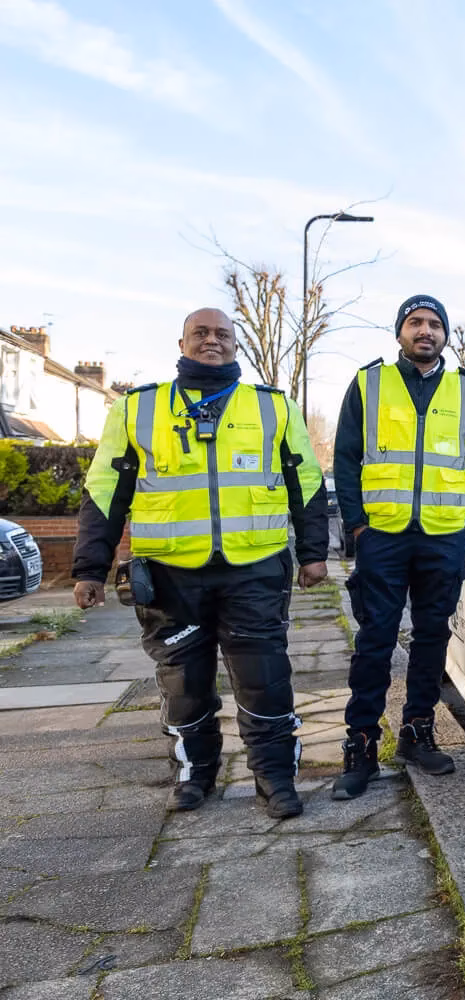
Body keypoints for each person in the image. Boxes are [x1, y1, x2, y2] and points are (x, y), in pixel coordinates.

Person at [72, 307, 329, 819]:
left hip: (254, 567)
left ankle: (275, 778)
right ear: (183, 342)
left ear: (236, 345)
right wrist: (88, 567)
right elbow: (105, 490)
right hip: (170, 574)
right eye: (201, 333)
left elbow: (308, 483)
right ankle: (194, 775)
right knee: (184, 683)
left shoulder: (274, 407)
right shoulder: (138, 408)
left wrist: (314, 553)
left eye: (222, 334)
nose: (212, 340)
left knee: (265, 679)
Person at [330, 294, 465, 800]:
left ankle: (417, 733)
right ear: (400, 331)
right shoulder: (369, 383)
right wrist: (356, 526)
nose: (425, 331)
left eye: (434, 324)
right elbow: (346, 456)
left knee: (432, 640)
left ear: (445, 334)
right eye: (415, 323)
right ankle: (359, 747)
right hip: (383, 536)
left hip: (444, 538)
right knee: (375, 640)